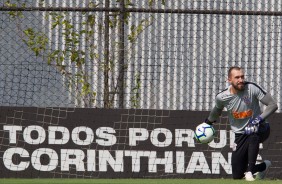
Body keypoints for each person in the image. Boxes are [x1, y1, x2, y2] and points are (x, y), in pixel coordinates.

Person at [205, 66, 278, 181]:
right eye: (237, 77)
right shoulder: (222, 97)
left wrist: (257, 120)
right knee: (237, 175)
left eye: (242, 77)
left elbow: (273, 105)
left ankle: (250, 172)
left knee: (252, 131)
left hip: (261, 127)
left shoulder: (252, 88)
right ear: (229, 80)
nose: (241, 80)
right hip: (240, 135)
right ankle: (263, 166)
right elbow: (217, 110)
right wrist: (208, 122)